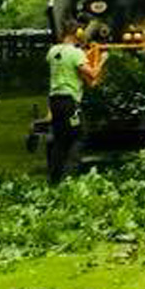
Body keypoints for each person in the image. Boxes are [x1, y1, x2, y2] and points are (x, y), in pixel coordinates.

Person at [46, 21, 99, 185]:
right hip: (70, 102)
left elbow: (65, 66)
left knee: (60, 139)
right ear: (78, 34)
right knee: (79, 135)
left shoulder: (52, 51)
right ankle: (69, 178)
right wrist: (102, 60)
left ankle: (54, 180)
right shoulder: (76, 53)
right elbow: (91, 74)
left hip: (54, 101)